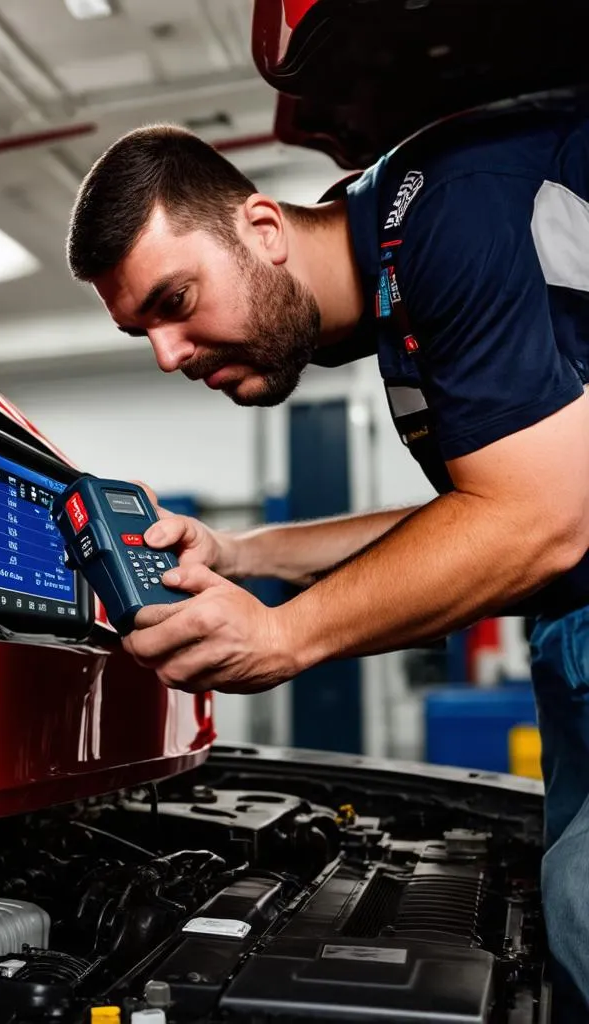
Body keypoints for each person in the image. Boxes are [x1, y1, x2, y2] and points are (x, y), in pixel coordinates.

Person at [65, 106, 589, 1016]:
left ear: (263, 228)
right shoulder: (400, 247)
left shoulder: (451, 211)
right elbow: (484, 507)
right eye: (139, 333)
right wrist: (241, 553)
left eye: (175, 303)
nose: (167, 356)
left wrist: (286, 636)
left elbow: (538, 518)